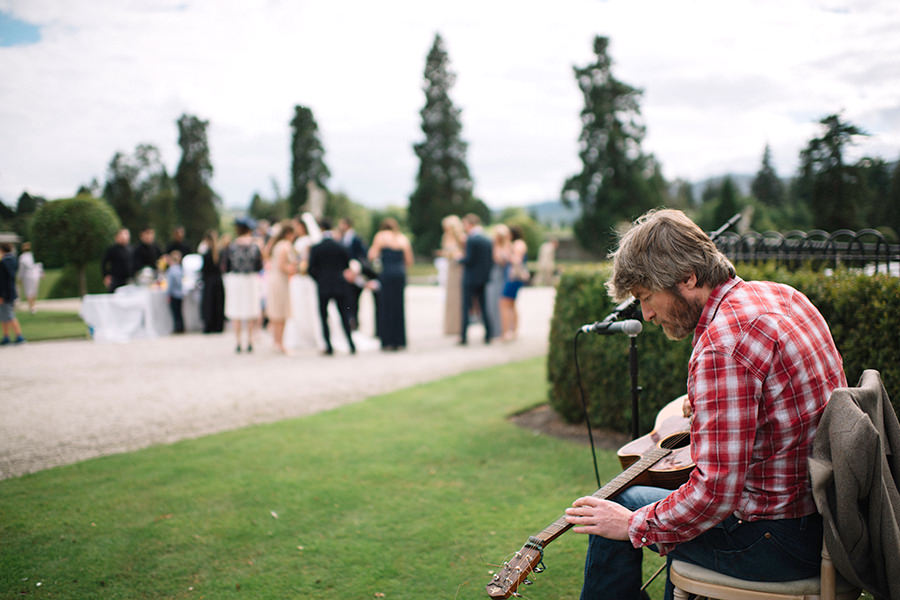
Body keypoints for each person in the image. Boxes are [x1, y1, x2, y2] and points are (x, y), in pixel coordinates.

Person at [563, 209, 847, 600]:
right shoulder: (781, 296)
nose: (645, 314)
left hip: (777, 542)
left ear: (689, 277)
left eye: (646, 297)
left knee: (615, 515)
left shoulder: (722, 345)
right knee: (625, 501)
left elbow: (715, 494)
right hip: (827, 525)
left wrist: (632, 527)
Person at [308, 217, 356, 356]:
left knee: (324, 316)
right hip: (340, 285)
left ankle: (328, 346)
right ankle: (350, 344)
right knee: (344, 315)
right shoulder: (341, 246)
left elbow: (311, 269)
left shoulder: (316, 248)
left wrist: (319, 279)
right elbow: (347, 265)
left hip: (323, 286)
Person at [368, 217, 413, 351]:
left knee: (386, 306)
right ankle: (399, 341)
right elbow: (409, 260)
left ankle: (387, 341)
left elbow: (372, 255)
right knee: (399, 307)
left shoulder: (381, 236)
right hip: (399, 273)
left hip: (387, 273)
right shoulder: (402, 238)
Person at [221, 217, 263, 353]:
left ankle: (238, 341)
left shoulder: (232, 247)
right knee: (250, 310)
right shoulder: (255, 246)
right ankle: (250, 340)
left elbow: (226, 266)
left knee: (236, 310)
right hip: (250, 279)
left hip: (236, 280)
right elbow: (259, 265)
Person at [458, 213, 494, 345]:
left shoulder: (471, 239)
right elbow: (490, 261)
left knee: (466, 307)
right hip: (483, 279)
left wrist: (458, 259)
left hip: (470, 279)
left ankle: (463, 336)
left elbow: (469, 259)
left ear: (470, 224)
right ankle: (488, 334)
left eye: (465, 224)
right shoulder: (487, 239)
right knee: (484, 307)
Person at [265, 219, 298, 354]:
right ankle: (280, 343)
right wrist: (294, 269)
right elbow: (282, 266)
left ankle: (276, 342)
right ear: (288, 233)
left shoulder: (275, 245)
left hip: (273, 279)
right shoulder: (285, 245)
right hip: (281, 280)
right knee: (281, 312)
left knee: (276, 312)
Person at [337, 217, 368, 331]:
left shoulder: (356, 239)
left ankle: (354, 321)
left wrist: (356, 269)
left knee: (355, 300)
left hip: (356, 274)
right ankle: (349, 321)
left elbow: (362, 256)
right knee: (347, 299)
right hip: (345, 274)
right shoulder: (341, 238)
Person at [438, 215, 466, 336]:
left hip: (458, 269)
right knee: (450, 298)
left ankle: (459, 326)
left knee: (458, 297)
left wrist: (455, 255)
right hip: (449, 267)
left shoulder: (461, 237)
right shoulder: (445, 237)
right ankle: (450, 327)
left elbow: (464, 254)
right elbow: (446, 251)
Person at [499, 225, 528, 341]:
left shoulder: (518, 244)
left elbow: (517, 260)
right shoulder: (517, 243)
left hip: (514, 277)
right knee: (511, 304)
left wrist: (508, 254)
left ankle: (506, 332)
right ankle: (513, 331)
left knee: (504, 303)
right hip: (513, 277)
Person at [200, 230, 226, 333]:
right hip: (218, 281)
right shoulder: (219, 253)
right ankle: (218, 325)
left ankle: (209, 325)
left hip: (210, 281)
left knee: (209, 304)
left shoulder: (206, 254)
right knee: (218, 304)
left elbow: (204, 270)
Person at [486, 224, 510, 341]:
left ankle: (502, 330)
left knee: (502, 304)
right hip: (493, 276)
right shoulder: (491, 245)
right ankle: (494, 330)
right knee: (491, 303)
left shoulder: (507, 246)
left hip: (502, 277)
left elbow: (499, 260)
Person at [0, 242, 26, 345]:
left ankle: (19, 335)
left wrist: (1, 295)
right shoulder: (13, 260)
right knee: (4, 315)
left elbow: (2, 281)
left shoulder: (3, 263)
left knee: (9, 315)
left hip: (4, 293)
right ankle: (6, 336)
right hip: (11, 291)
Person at [102, 228, 133, 292]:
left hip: (129, 279)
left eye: (126, 234)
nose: (124, 236)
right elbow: (104, 263)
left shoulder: (131, 249)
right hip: (116, 280)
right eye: (122, 234)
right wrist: (106, 276)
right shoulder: (112, 249)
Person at [16, 241, 42, 314]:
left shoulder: (22, 257)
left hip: (28, 276)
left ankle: (32, 307)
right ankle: (32, 306)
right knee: (33, 291)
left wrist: (19, 278)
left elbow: (21, 269)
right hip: (34, 275)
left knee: (30, 291)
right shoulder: (31, 256)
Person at [165, 250, 185, 334]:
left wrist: (168, 294)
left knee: (175, 313)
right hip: (180, 294)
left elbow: (170, 284)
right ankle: (181, 327)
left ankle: (177, 327)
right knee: (180, 312)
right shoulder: (180, 269)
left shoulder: (171, 270)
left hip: (174, 294)